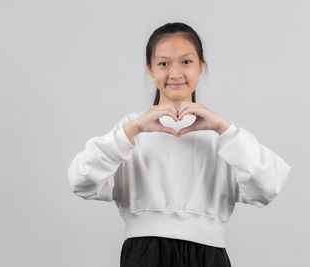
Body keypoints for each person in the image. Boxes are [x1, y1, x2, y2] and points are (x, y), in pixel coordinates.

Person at [66, 22, 291, 267]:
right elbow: (81, 180)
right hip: (144, 255)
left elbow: (268, 187)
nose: (175, 73)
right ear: (150, 69)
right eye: (164, 63)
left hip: (209, 257)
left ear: (201, 66)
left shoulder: (222, 134)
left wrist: (223, 128)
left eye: (186, 62)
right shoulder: (130, 129)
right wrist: (135, 129)